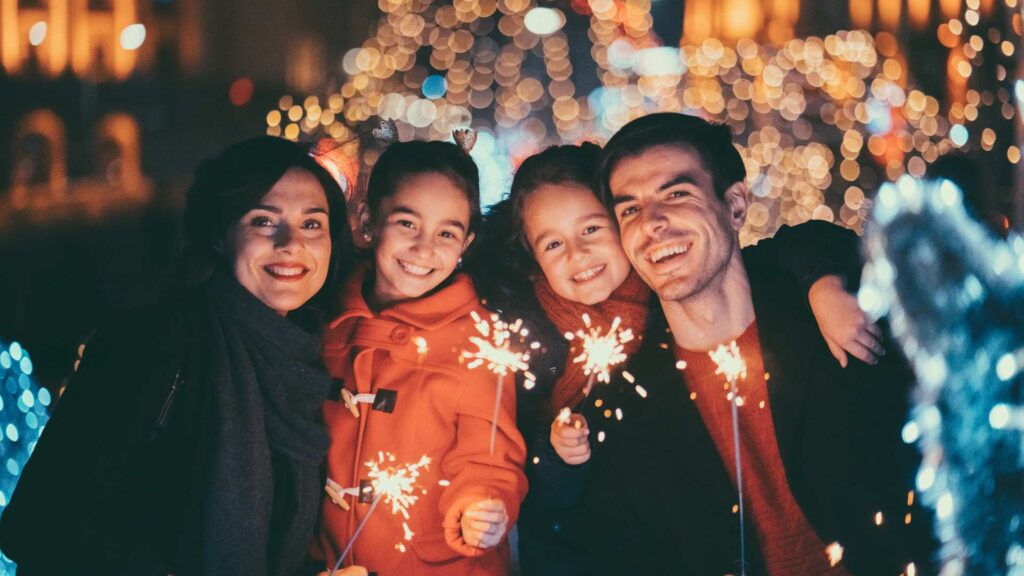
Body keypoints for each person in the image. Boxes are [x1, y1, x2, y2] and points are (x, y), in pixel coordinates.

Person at [472, 143, 889, 575]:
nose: (577, 254)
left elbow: (787, 247)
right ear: (533, 256)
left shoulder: (670, 285)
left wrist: (822, 282)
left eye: (592, 230)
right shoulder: (527, 335)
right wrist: (556, 455)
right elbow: (538, 491)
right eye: (553, 243)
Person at [581, 113, 938, 575]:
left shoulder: (830, 316)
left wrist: (825, 281)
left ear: (734, 206)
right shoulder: (626, 400)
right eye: (629, 208)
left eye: (676, 194)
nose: (652, 223)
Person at [0, 136, 366, 575]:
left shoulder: (305, 365)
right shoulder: (153, 345)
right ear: (219, 235)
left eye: (312, 224)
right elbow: (39, 527)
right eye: (264, 221)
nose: (291, 243)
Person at [314, 139, 527, 575]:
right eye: (407, 223)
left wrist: (481, 507)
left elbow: (487, 457)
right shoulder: (324, 322)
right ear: (368, 220)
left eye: (447, 233)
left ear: (466, 242)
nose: (424, 248)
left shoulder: (479, 340)